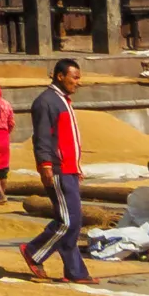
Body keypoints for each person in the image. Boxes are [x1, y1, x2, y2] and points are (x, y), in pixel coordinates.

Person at [21, 58, 96, 283]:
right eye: (75, 77)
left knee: (74, 221)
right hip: (57, 168)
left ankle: (75, 271)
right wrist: (45, 165)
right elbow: (42, 137)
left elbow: (66, 138)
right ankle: (34, 252)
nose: (78, 82)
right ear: (60, 76)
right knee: (67, 221)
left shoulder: (63, 101)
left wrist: (76, 167)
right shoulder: (46, 102)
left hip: (69, 168)